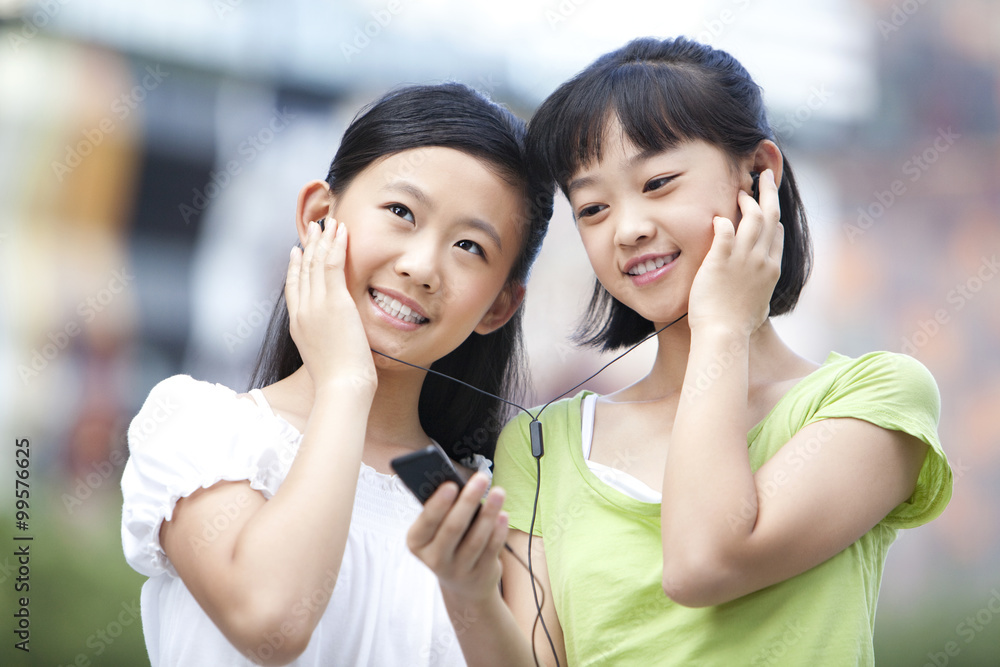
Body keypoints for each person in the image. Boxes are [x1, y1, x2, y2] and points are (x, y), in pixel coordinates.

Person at [407, 37, 953, 666]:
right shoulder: (542, 442)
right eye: (593, 207)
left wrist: (723, 329)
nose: (628, 228)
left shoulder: (874, 398)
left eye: (658, 182)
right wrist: (466, 589)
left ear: (759, 176)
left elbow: (702, 564)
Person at [120, 82, 552, 666]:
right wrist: (347, 385)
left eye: (470, 246)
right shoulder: (202, 430)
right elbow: (272, 621)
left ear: (499, 305)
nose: (422, 266)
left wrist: (471, 591)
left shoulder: (489, 510)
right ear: (319, 216)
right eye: (401, 212)